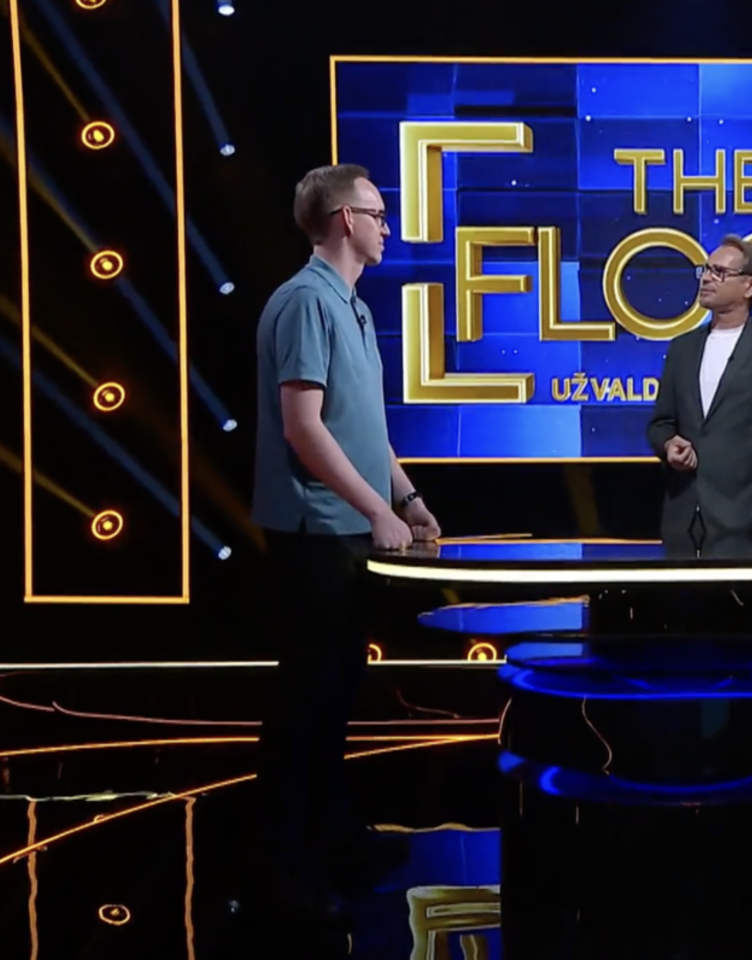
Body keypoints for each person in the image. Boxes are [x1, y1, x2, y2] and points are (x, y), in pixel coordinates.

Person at [251, 163, 441, 919]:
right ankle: (282, 864)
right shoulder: (305, 301)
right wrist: (374, 511)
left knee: (336, 697)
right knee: (304, 700)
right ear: (343, 219)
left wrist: (408, 500)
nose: (387, 226)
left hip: (352, 530)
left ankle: (335, 840)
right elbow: (304, 428)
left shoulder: (352, 305)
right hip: (316, 533)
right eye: (378, 213)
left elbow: (366, 426)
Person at [647, 235, 752, 558]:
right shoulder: (682, 348)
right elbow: (660, 424)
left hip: (749, 533)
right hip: (682, 529)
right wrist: (668, 445)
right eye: (706, 269)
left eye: (720, 272)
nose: (707, 278)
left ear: (750, 286)